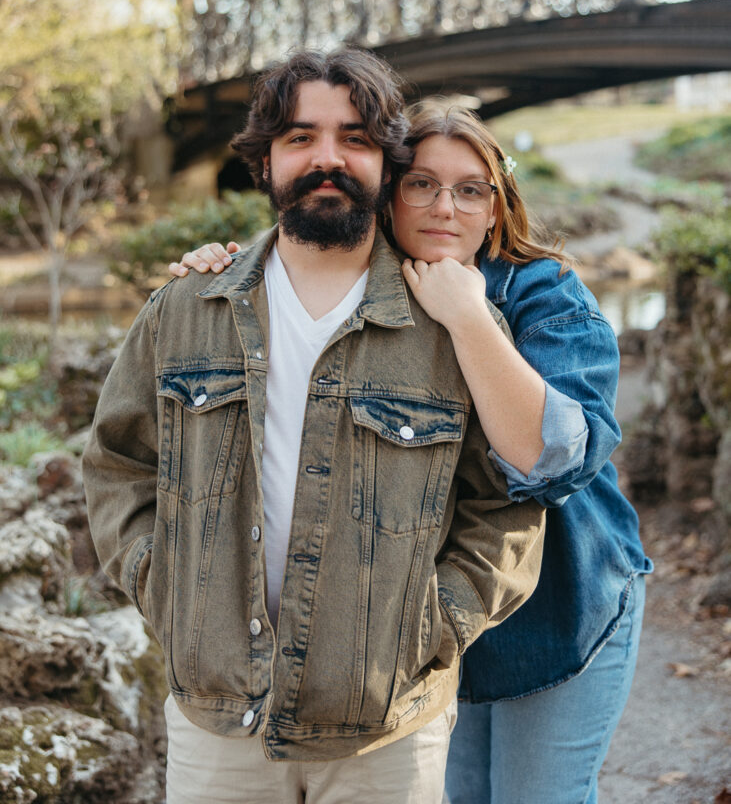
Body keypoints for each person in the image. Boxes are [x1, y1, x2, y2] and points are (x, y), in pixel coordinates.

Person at [82, 49, 545, 804]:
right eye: (301, 137)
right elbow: (117, 465)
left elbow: (507, 505)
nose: (327, 158)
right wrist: (163, 586)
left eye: (354, 139)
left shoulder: (455, 326)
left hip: (387, 729)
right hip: (217, 723)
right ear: (264, 160)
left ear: (386, 165)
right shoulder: (184, 311)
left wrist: (434, 626)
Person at [174, 97, 653, 804]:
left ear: (495, 209)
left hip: (558, 606)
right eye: (421, 184)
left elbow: (553, 462)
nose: (444, 208)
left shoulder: (545, 297)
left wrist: (467, 318)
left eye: (470, 190)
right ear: (386, 194)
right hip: (421, 631)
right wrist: (224, 265)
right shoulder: (361, 286)